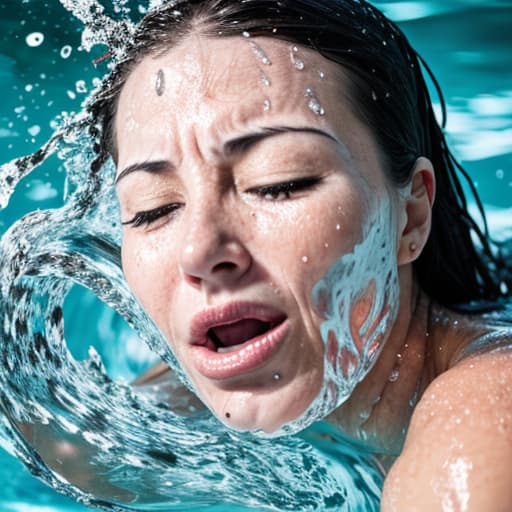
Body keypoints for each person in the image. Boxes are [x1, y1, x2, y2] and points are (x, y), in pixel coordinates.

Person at [86, 0, 512, 509]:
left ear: (412, 215)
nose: (199, 251)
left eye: (278, 183)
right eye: (153, 210)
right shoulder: (176, 401)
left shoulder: (484, 416)